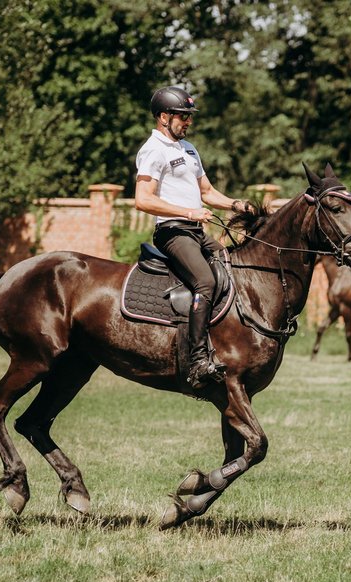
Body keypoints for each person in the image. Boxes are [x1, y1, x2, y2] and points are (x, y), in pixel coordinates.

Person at [134, 86, 251, 389]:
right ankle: (197, 360)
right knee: (206, 281)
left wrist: (237, 204)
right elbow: (143, 199)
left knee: (231, 265)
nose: (188, 122)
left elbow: (208, 193)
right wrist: (188, 213)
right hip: (172, 232)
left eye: (189, 117)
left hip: (196, 231)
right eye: (182, 117)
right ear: (163, 116)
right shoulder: (153, 150)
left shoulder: (189, 149)